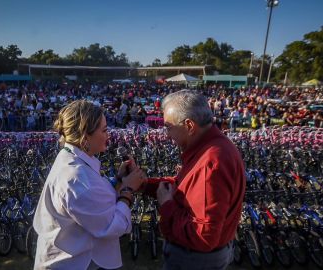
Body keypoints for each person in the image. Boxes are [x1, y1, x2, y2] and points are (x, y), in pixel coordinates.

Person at [33, 100, 147, 270]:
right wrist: (127, 191)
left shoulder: (72, 159)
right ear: (86, 136)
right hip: (73, 264)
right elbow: (110, 227)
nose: (108, 136)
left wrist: (118, 180)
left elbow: (93, 200)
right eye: (104, 130)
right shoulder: (76, 177)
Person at [144, 90, 246, 270]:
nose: (167, 135)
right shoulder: (212, 147)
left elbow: (203, 236)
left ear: (189, 126)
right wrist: (144, 184)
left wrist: (166, 204)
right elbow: (185, 185)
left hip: (195, 259)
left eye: (169, 127)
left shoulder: (210, 162)